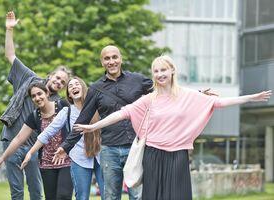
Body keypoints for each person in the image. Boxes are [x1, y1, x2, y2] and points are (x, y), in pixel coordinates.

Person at [73, 55, 272, 200]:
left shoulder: (186, 95)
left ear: (172, 71)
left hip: (178, 155)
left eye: (163, 70)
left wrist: (250, 98)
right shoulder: (148, 99)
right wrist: (94, 127)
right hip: (153, 154)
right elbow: (122, 113)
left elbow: (217, 103)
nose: (160, 74)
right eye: (156, 71)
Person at [53, 45, 152, 200]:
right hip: (109, 150)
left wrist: (196, 95)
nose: (111, 61)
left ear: (121, 59)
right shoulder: (96, 89)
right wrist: (66, 146)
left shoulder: (138, 80)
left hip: (135, 147)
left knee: (137, 196)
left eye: (114, 57)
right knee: (110, 196)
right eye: (107, 58)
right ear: (102, 62)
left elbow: (164, 91)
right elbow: (82, 120)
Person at [0, 11, 71, 200]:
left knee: (37, 191)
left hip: (35, 148)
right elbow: (10, 54)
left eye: (63, 83)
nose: (59, 83)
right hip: (12, 140)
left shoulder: (57, 104)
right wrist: (9, 29)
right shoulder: (28, 78)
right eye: (58, 78)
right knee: (17, 191)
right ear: (51, 75)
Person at [20, 77, 104, 200]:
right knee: (82, 197)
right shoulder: (67, 111)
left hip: (101, 156)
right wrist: (30, 152)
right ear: (69, 94)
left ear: (83, 87)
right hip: (79, 159)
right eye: (70, 86)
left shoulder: (98, 107)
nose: (74, 86)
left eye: (77, 84)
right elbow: (47, 132)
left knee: (108, 195)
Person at [0, 82, 73, 200]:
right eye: (33, 96)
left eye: (39, 94)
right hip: (46, 164)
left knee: (64, 196)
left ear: (46, 93)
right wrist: (3, 157)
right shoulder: (34, 116)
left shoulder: (63, 105)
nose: (37, 98)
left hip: (66, 159)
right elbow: (19, 138)